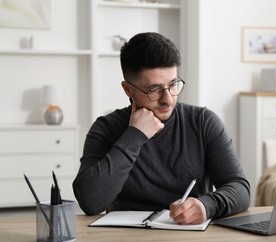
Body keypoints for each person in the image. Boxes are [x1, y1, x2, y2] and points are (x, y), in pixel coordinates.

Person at [73, 32, 250, 224]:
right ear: (128, 89)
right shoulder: (106, 128)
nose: (168, 99)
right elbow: (90, 202)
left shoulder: (203, 122)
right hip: (125, 241)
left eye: (173, 84)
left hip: (189, 238)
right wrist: (135, 135)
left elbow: (240, 188)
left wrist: (207, 205)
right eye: (154, 89)